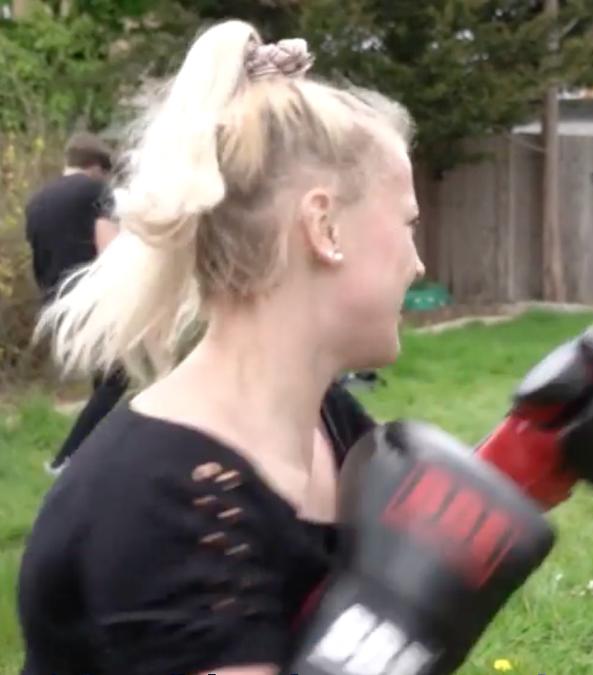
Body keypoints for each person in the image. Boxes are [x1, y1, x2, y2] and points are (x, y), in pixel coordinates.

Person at [15, 22, 428, 674]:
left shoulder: (333, 426)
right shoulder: (169, 503)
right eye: (407, 223)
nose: (418, 263)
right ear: (323, 225)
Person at [24, 133, 127, 476]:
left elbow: (39, 262)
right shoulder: (96, 191)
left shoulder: (36, 202)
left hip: (58, 305)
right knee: (119, 377)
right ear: (97, 167)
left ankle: (96, 458)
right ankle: (66, 460)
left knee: (105, 379)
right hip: (92, 297)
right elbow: (111, 252)